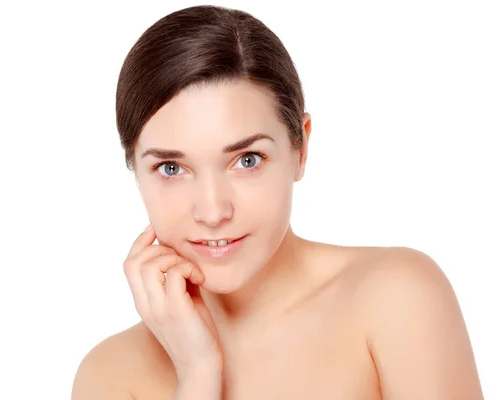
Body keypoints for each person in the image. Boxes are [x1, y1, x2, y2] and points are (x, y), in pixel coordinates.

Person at [72, 5, 483, 399]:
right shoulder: (109, 375)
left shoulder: (395, 297)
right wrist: (198, 374)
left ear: (300, 148)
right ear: (135, 171)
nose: (213, 212)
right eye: (171, 169)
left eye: (247, 160)